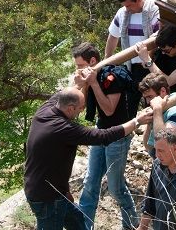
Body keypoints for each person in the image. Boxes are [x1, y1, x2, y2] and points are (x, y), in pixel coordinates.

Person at [24, 87, 153, 230]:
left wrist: (84, 80)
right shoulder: (63, 128)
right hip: (47, 198)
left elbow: (63, 92)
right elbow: (103, 136)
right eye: (80, 108)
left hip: (53, 190)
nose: (82, 111)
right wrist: (137, 121)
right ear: (71, 108)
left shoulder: (46, 109)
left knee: (77, 220)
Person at [72, 43, 141, 230]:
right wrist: (83, 84)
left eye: (80, 65)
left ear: (92, 61)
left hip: (118, 135)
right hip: (100, 132)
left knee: (115, 188)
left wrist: (93, 82)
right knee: (90, 184)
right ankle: (85, 226)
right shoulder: (91, 77)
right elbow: (80, 107)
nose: (78, 70)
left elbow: (109, 110)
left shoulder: (112, 76)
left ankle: (131, 223)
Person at [106, 0, 161, 93]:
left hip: (151, 63)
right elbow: (113, 36)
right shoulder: (122, 13)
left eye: (128, 5)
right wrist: (107, 59)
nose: (126, 9)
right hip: (130, 66)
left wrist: (147, 59)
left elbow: (157, 37)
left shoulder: (154, 10)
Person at [136, 26, 176, 94]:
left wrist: (147, 59)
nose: (163, 53)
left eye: (166, 51)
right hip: (154, 92)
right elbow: (145, 65)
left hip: (174, 97)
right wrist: (150, 50)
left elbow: (167, 81)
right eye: (161, 50)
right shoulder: (165, 46)